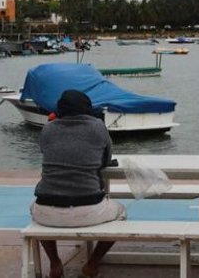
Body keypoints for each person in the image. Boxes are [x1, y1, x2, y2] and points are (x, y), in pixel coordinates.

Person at [30, 89, 124, 278]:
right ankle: (92, 263)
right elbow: (106, 159)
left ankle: (55, 262)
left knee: (34, 212)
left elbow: (45, 151)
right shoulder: (98, 127)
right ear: (87, 108)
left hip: (46, 209)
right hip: (89, 209)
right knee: (121, 215)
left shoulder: (47, 129)